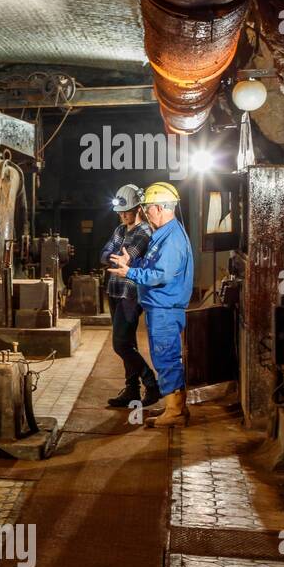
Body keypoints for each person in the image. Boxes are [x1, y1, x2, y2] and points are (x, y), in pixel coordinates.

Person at [106, 181, 193, 427]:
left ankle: (175, 413)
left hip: (165, 308)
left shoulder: (172, 238)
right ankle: (174, 407)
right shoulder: (163, 234)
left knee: (166, 358)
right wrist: (132, 264)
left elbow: (160, 275)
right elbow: (151, 266)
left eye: (148, 208)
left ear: (162, 207)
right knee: (163, 357)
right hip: (159, 307)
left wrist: (129, 273)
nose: (144, 212)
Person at [99, 184, 158, 409]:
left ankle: (151, 383)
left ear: (139, 209)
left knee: (121, 344)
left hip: (130, 294)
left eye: (128, 211)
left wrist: (116, 258)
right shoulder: (121, 230)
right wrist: (114, 258)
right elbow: (104, 254)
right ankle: (132, 390)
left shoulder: (144, 232)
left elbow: (127, 258)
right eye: (121, 212)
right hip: (114, 291)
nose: (123, 215)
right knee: (128, 343)